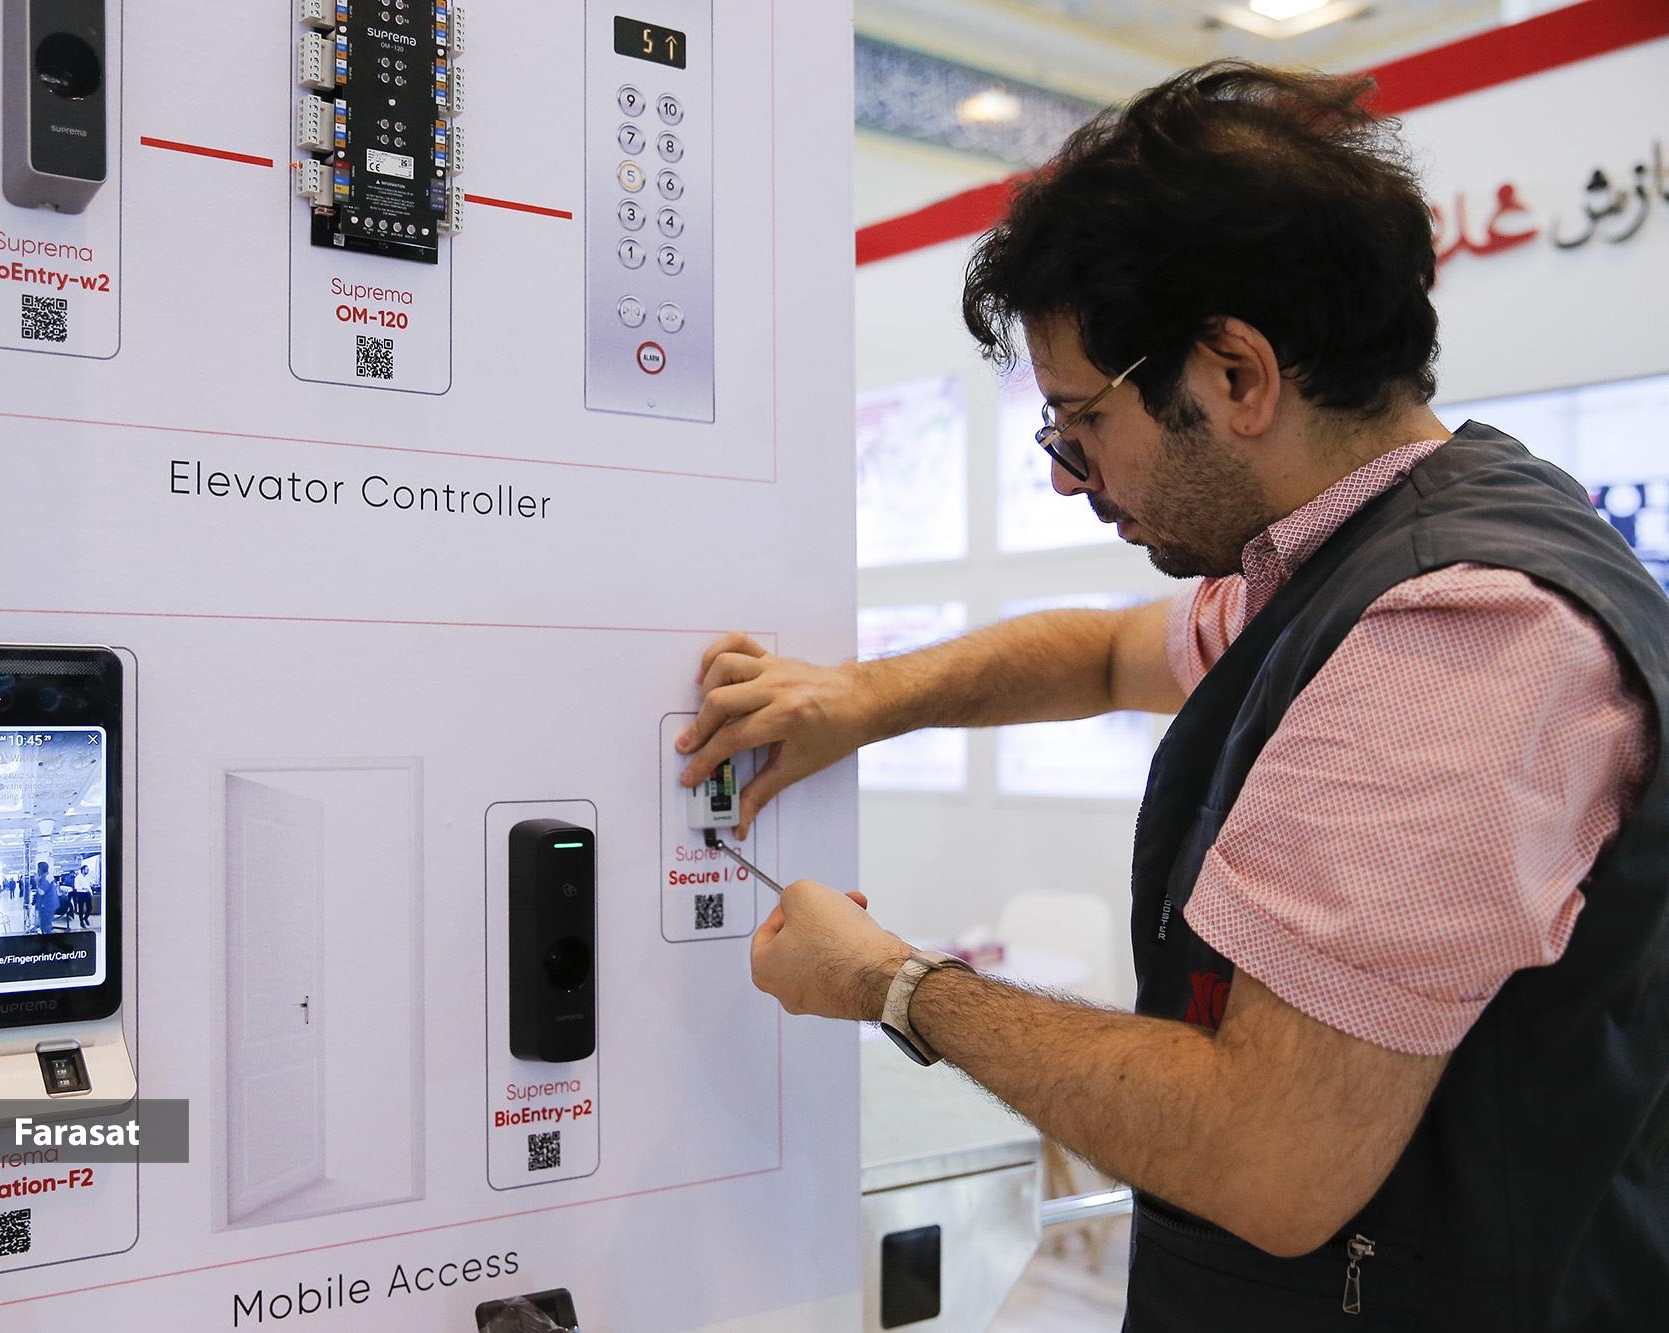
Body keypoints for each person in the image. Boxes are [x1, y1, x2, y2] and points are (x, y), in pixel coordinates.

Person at [678, 63, 1669, 1330]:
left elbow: (1268, 1155)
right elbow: (1101, 655)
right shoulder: (1352, 562)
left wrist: (893, 983)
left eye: (1077, 422)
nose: (1065, 475)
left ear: (1234, 375)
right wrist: (862, 698)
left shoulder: (1453, 640)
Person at [31, 860, 59, 935]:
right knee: (43, 925)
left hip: (48, 906)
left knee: (46, 926)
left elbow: (41, 891)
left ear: (40, 869)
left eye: (38, 868)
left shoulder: (49, 877)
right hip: (44, 906)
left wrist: (37, 882)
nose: (37, 870)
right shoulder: (44, 877)